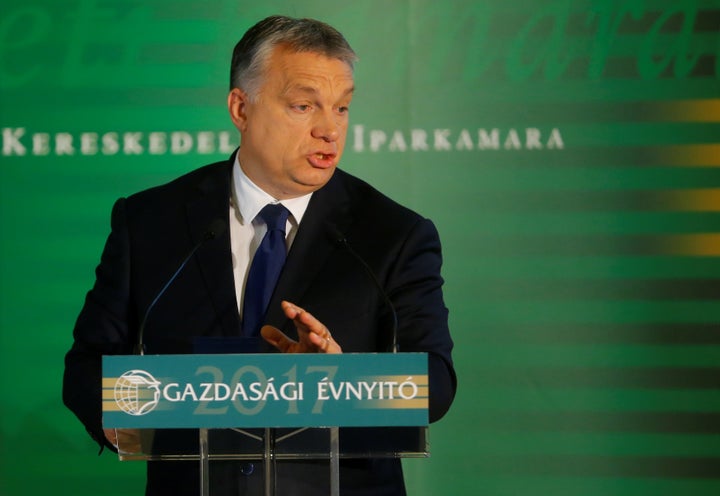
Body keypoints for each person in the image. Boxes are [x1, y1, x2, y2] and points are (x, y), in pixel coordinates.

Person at [63, 15, 456, 496]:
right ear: (240, 108)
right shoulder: (150, 222)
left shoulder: (392, 234)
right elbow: (88, 365)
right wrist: (120, 415)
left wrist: (343, 381)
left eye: (342, 107)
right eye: (303, 106)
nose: (329, 129)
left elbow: (434, 382)